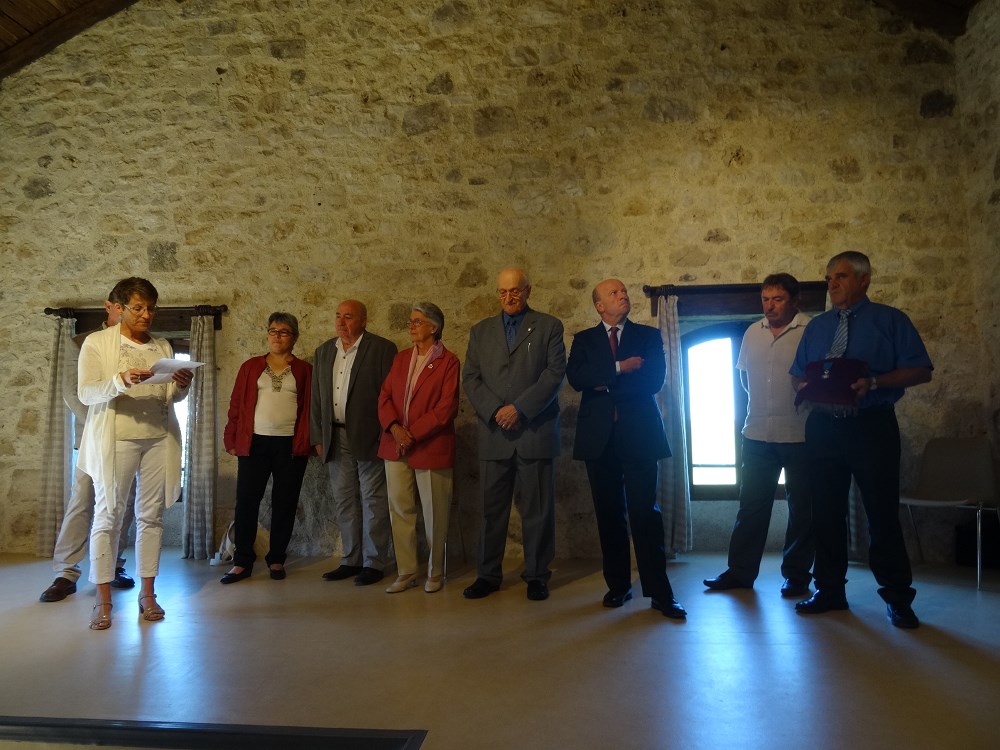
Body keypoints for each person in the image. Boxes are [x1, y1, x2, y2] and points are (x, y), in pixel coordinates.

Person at [790, 251, 932, 629]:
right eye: (829, 278)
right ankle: (829, 591)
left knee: (881, 514)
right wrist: (802, 387)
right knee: (825, 513)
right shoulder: (817, 327)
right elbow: (797, 373)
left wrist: (875, 382)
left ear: (864, 279)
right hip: (823, 428)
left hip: (871, 426)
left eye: (840, 276)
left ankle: (898, 598)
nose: (832, 284)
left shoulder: (890, 320)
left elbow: (921, 370)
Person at [77, 277, 193, 630]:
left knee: (151, 516)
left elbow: (168, 397)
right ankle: (103, 598)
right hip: (117, 438)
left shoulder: (161, 345)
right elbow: (86, 393)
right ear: (121, 307)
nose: (146, 315)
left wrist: (181, 387)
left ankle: (148, 594)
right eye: (138, 308)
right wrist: (120, 380)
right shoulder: (97, 342)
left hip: (158, 438)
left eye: (151, 308)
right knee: (109, 516)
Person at [566, 278, 685, 619]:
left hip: (639, 434)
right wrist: (620, 368)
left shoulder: (647, 336)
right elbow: (577, 379)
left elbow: (652, 381)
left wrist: (603, 382)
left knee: (645, 514)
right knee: (609, 515)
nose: (623, 295)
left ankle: (660, 592)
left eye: (624, 291)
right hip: (598, 438)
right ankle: (618, 586)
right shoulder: (584, 340)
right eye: (614, 293)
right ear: (599, 306)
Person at [704, 274, 814, 597]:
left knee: (803, 510)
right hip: (756, 435)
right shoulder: (753, 332)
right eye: (765, 299)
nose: (769, 306)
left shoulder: (811, 330)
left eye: (777, 299)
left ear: (795, 301)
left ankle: (796, 576)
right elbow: (745, 379)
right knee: (751, 507)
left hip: (801, 435)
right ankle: (740, 573)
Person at [462, 267, 566, 601]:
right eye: (503, 292)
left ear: (528, 291)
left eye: (516, 291)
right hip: (495, 433)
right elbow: (471, 378)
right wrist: (496, 410)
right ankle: (487, 575)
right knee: (490, 512)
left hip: (534, 432)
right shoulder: (480, 332)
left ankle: (537, 575)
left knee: (538, 510)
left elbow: (554, 374)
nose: (509, 297)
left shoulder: (549, 326)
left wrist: (519, 409)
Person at [40, 296, 137, 602]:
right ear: (110, 306)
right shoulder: (80, 342)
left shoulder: (139, 343)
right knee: (82, 499)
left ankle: (113, 564)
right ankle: (66, 572)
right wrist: (103, 424)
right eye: (124, 307)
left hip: (129, 437)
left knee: (123, 503)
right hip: (92, 437)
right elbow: (72, 392)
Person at [220, 313, 312, 584]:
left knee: (285, 502)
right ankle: (242, 561)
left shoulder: (305, 370)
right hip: (254, 443)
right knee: (247, 501)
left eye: (283, 332)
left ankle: (276, 559)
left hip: (290, 445)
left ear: (294, 337)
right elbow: (236, 404)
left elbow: (311, 408)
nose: (277, 336)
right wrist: (231, 438)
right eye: (273, 331)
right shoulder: (251, 367)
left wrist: (310, 441)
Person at [311, 300, 397, 586]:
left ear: (363, 320)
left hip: (370, 435)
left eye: (348, 317)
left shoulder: (382, 349)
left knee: (373, 499)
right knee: (344, 500)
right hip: (335, 437)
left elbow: (390, 395)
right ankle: (351, 559)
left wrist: (387, 432)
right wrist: (318, 437)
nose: (341, 322)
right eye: (338, 316)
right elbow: (316, 398)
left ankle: (373, 562)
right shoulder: (324, 351)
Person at [377, 303, 460, 594]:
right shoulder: (401, 358)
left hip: (431, 444)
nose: (411, 326)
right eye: (411, 322)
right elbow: (385, 396)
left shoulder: (449, 362)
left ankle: (435, 572)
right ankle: (407, 571)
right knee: (400, 508)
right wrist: (395, 429)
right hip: (395, 444)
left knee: (435, 512)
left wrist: (411, 434)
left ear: (433, 327)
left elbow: (446, 408)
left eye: (417, 321)